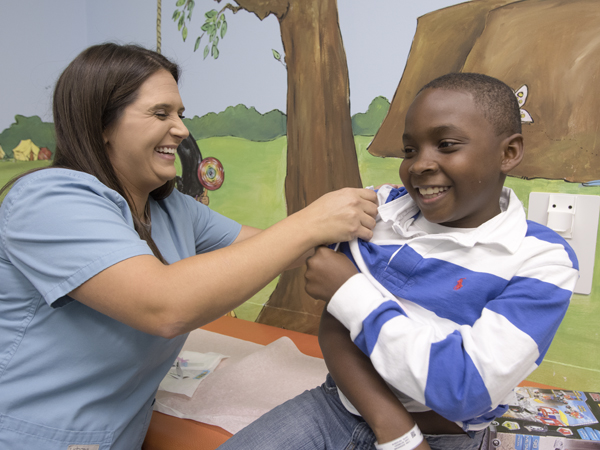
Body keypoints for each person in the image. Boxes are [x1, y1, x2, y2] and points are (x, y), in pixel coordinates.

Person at [0, 43, 379, 450]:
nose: (181, 129)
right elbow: (163, 306)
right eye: (161, 113)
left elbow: (273, 248)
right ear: (102, 125)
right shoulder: (49, 200)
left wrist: (397, 241)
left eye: (180, 114)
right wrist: (311, 220)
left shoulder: (172, 209)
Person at [216, 73, 579, 450]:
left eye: (446, 144)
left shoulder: (542, 259)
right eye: (409, 150)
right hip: (335, 408)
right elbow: (335, 326)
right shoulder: (377, 207)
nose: (420, 164)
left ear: (509, 152)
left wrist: (349, 290)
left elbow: (463, 388)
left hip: (444, 438)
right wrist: (396, 430)